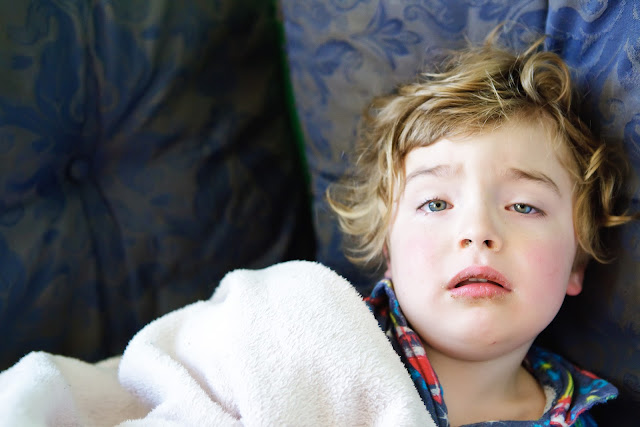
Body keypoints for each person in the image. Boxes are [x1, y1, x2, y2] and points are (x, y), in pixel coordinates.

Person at [327, 33, 636, 426]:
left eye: (524, 206)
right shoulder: (323, 340)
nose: (478, 231)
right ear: (389, 251)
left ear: (577, 264)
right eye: (436, 204)